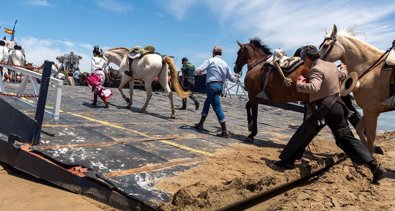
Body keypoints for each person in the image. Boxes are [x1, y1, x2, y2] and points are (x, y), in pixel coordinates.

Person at [273, 45, 386, 183]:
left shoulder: (316, 69)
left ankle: (287, 161)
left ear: (308, 58)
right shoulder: (331, 65)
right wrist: (343, 68)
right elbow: (342, 75)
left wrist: (300, 84)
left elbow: (314, 87)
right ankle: (375, 167)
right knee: (346, 138)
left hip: (325, 108)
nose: (304, 62)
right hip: (338, 106)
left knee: (305, 131)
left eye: (304, 59)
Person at [194, 45, 240, 138]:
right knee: (207, 103)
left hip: (212, 86)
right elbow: (232, 79)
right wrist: (237, 77)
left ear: (213, 53)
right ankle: (200, 123)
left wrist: (201, 73)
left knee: (217, 107)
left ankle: (224, 131)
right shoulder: (225, 64)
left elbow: (198, 71)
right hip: (220, 87)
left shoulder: (210, 60)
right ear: (221, 53)